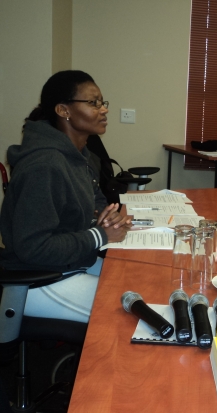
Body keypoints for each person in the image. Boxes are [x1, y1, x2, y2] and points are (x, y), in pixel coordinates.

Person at [0, 70, 132, 323]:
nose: (103, 109)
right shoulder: (45, 166)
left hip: (71, 262)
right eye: (93, 103)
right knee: (128, 318)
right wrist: (101, 234)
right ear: (64, 110)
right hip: (39, 278)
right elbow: (33, 247)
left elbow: (96, 200)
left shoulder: (80, 155)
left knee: (135, 281)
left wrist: (106, 217)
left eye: (102, 102)